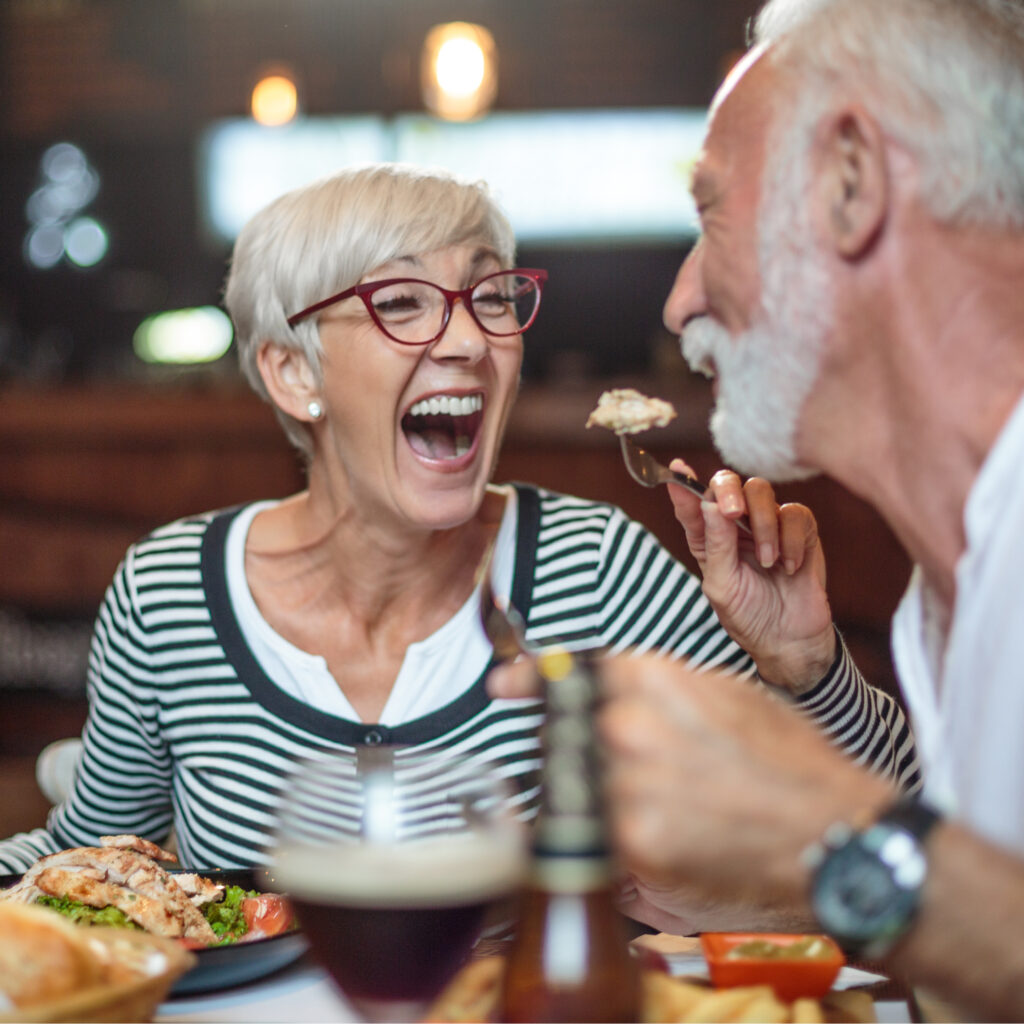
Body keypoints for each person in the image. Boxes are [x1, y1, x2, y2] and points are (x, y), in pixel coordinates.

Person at [0, 163, 916, 875]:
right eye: (400, 303)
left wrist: (808, 666)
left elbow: (893, 832)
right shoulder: (170, 595)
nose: (471, 340)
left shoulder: (593, 573)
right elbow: (88, 866)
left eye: (490, 296)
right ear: (293, 372)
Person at [492, 0, 1024, 1018]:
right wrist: (812, 677)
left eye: (711, 215)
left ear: (851, 181)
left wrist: (818, 826)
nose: (677, 300)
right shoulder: (945, 585)